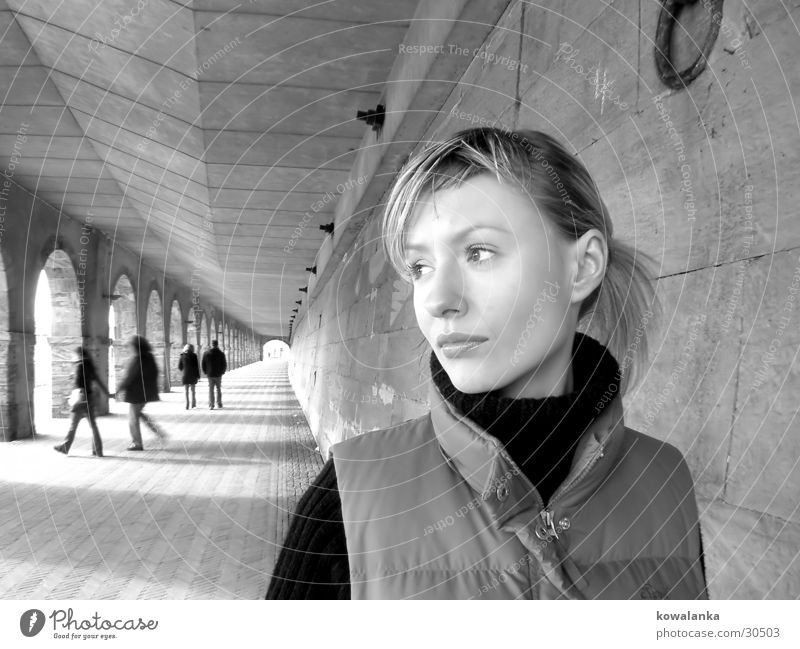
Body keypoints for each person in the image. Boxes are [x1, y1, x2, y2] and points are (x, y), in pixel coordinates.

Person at [267, 127, 707, 600]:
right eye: (420, 268)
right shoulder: (350, 494)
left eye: (478, 252)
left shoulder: (665, 478)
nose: (437, 299)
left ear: (581, 267)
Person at [54, 346, 112, 457]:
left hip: (80, 398)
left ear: (78, 354)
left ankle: (65, 447)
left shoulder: (79, 365)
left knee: (73, 425)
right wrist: (108, 394)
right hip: (89, 397)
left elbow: (78, 382)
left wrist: (73, 378)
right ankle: (98, 450)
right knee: (93, 425)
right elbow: (99, 382)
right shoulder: (91, 366)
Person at [117, 335, 166, 451]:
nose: (128, 349)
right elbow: (155, 372)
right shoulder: (149, 357)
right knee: (138, 415)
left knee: (132, 419)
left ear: (135, 347)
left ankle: (137, 443)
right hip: (145, 392)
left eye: (129, 346)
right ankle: (158, 433)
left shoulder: (137, 359)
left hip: (137, 393)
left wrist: (119, 389)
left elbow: (129, 377)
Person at [201, 339, 227, 410]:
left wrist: (205, 372)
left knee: (211, 389)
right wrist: (222, 372)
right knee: (218, 389)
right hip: (218, 374)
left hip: (210, 374)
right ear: (217, 344)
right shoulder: (221, 353)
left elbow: (203, 364)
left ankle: (211, 405)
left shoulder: (206, 353)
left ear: (211, 345)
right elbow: (224, 364)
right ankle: (219, 404)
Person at [178, 343, 200, 409]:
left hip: (185, 375)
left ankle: (187, 405)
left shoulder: (182, 356)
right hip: (193, 375)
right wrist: (198, 375)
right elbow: (196, 367)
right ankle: (193, 404)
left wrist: (183, 369)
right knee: (193, 391)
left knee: (186, 391)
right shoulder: (194, 356)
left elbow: (179, 367)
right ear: (192, 349)